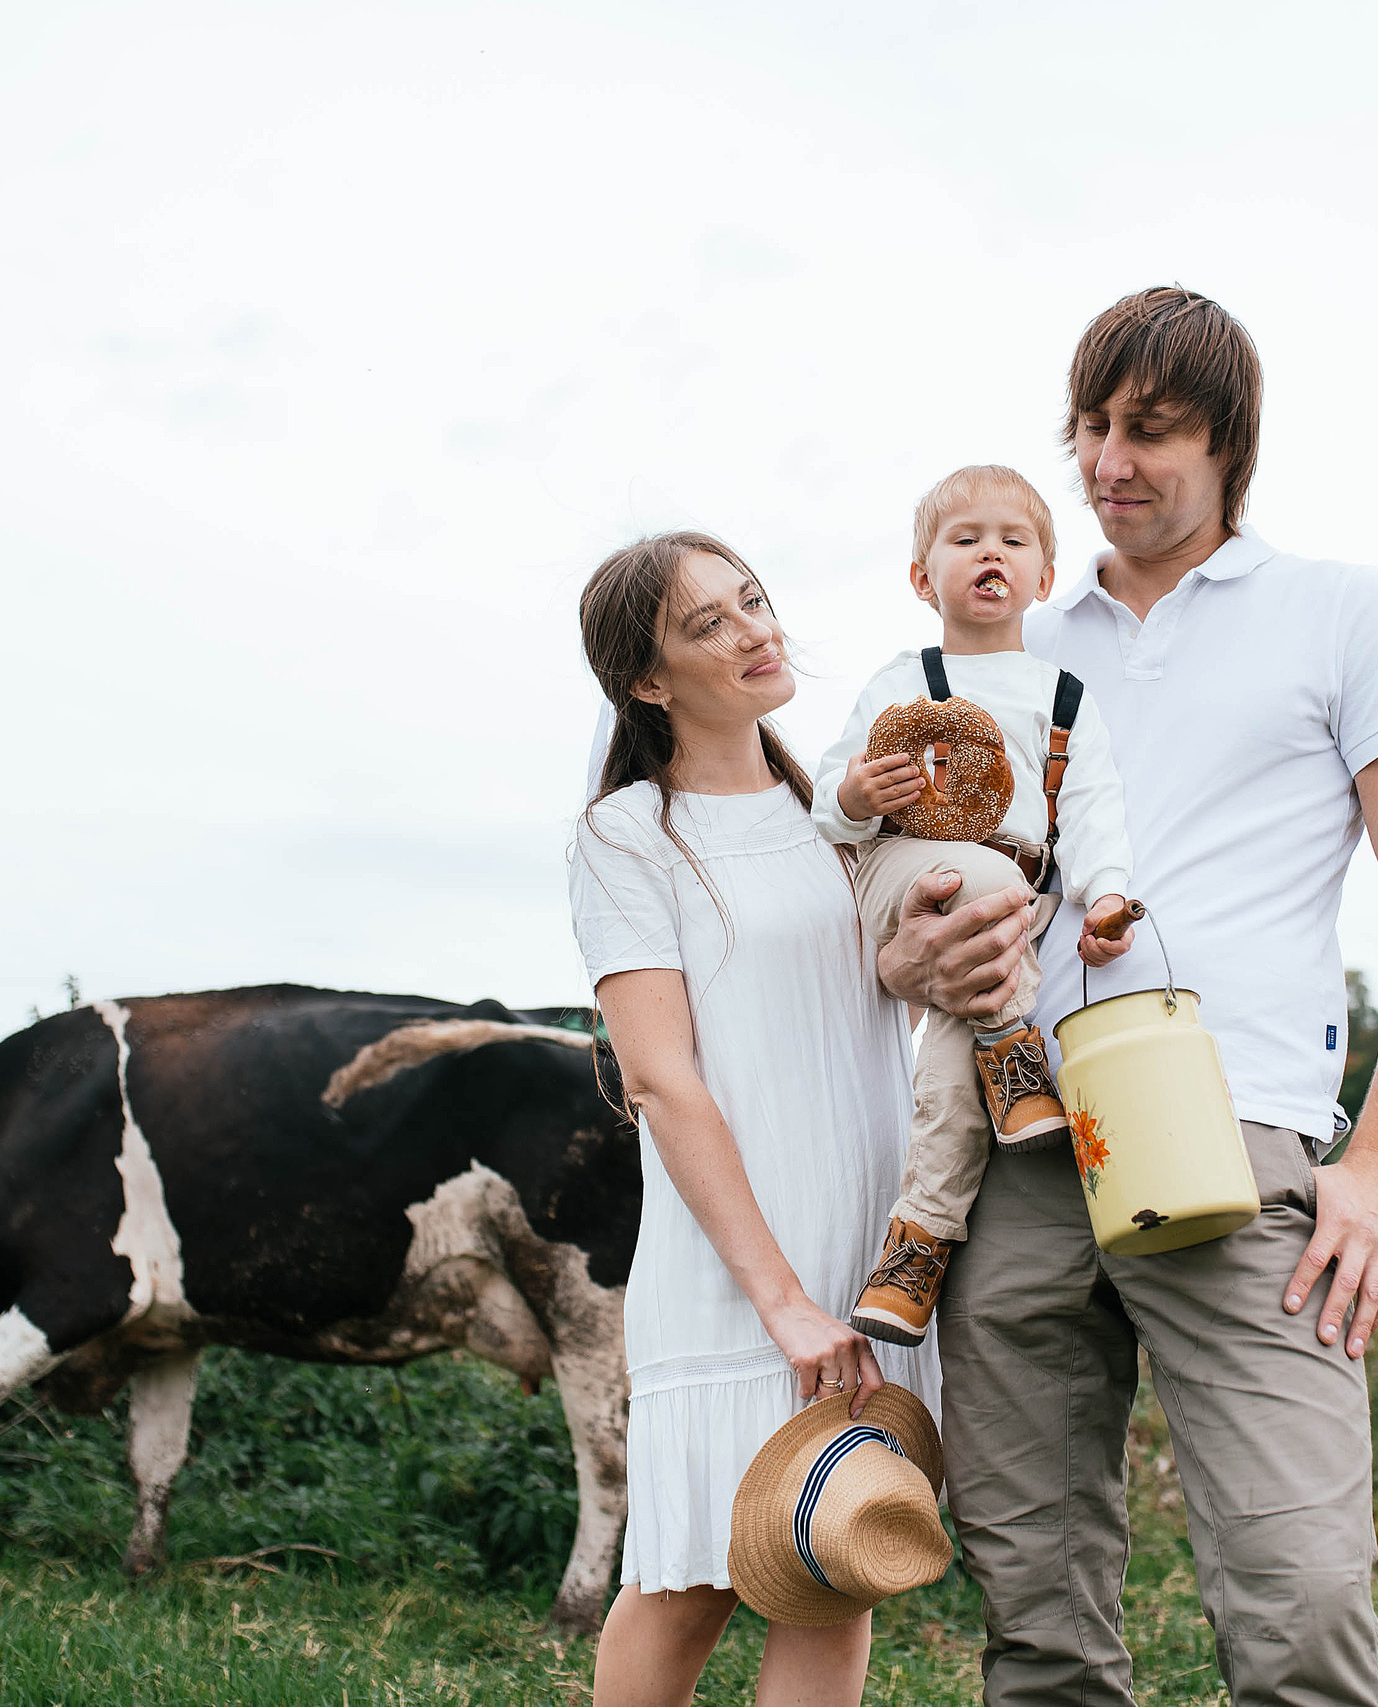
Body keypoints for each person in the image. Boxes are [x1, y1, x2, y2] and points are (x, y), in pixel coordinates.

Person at [878, 287, 1378, 1705]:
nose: (1106, 462)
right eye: (1089, 427)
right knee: (1036, 1611)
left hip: (1243, 1133)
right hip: (1016, 1144)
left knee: (1302, 1598)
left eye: (1149, 430)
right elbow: (901, 891)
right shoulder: (1008, 639)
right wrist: (912, 958)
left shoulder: (1342, 612)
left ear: (1231, 444)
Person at [567, 531, 940, 1707]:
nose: (755, 630)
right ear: (647, 680)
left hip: (869, 1256)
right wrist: (780, 1299)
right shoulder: (629, 834)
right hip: (739, 1269)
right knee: (688, 1589)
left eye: (754, 602)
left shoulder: (845, 815)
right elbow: (663, 1081)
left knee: (831, 1569)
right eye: (709, 624)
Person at [809, 464, 1138, 1349]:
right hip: (909, 873)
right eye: (964, 540)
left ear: (1041, 574)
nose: (989, 552)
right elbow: (826, 812)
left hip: (1011, 902)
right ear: (925, 579)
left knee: (949, 1053)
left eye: (1013, 539)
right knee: (988, 895)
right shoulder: (901, 681)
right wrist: (858, 789)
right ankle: (1012, 1046)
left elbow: (1096, 815)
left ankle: (914, 1251)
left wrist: (1104, 899)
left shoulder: (1065, 697)